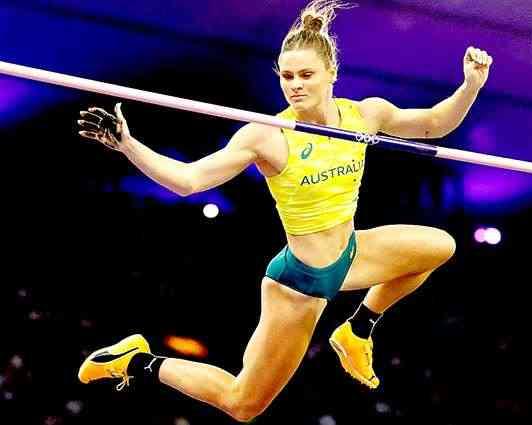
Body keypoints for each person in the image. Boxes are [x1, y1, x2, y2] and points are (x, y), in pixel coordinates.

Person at [76, 0, 492, 421]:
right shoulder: (267, 137)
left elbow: (434, 124)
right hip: (301, 283)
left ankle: (357, 329)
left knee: (440, 246)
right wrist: (128, 145)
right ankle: (135, 360)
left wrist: (470, 86)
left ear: (331, 73)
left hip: (350, 254)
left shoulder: (365, 114)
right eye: (287, 76)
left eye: (306, 75)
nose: (294, 85)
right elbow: (188, 181)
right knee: (242, 404)